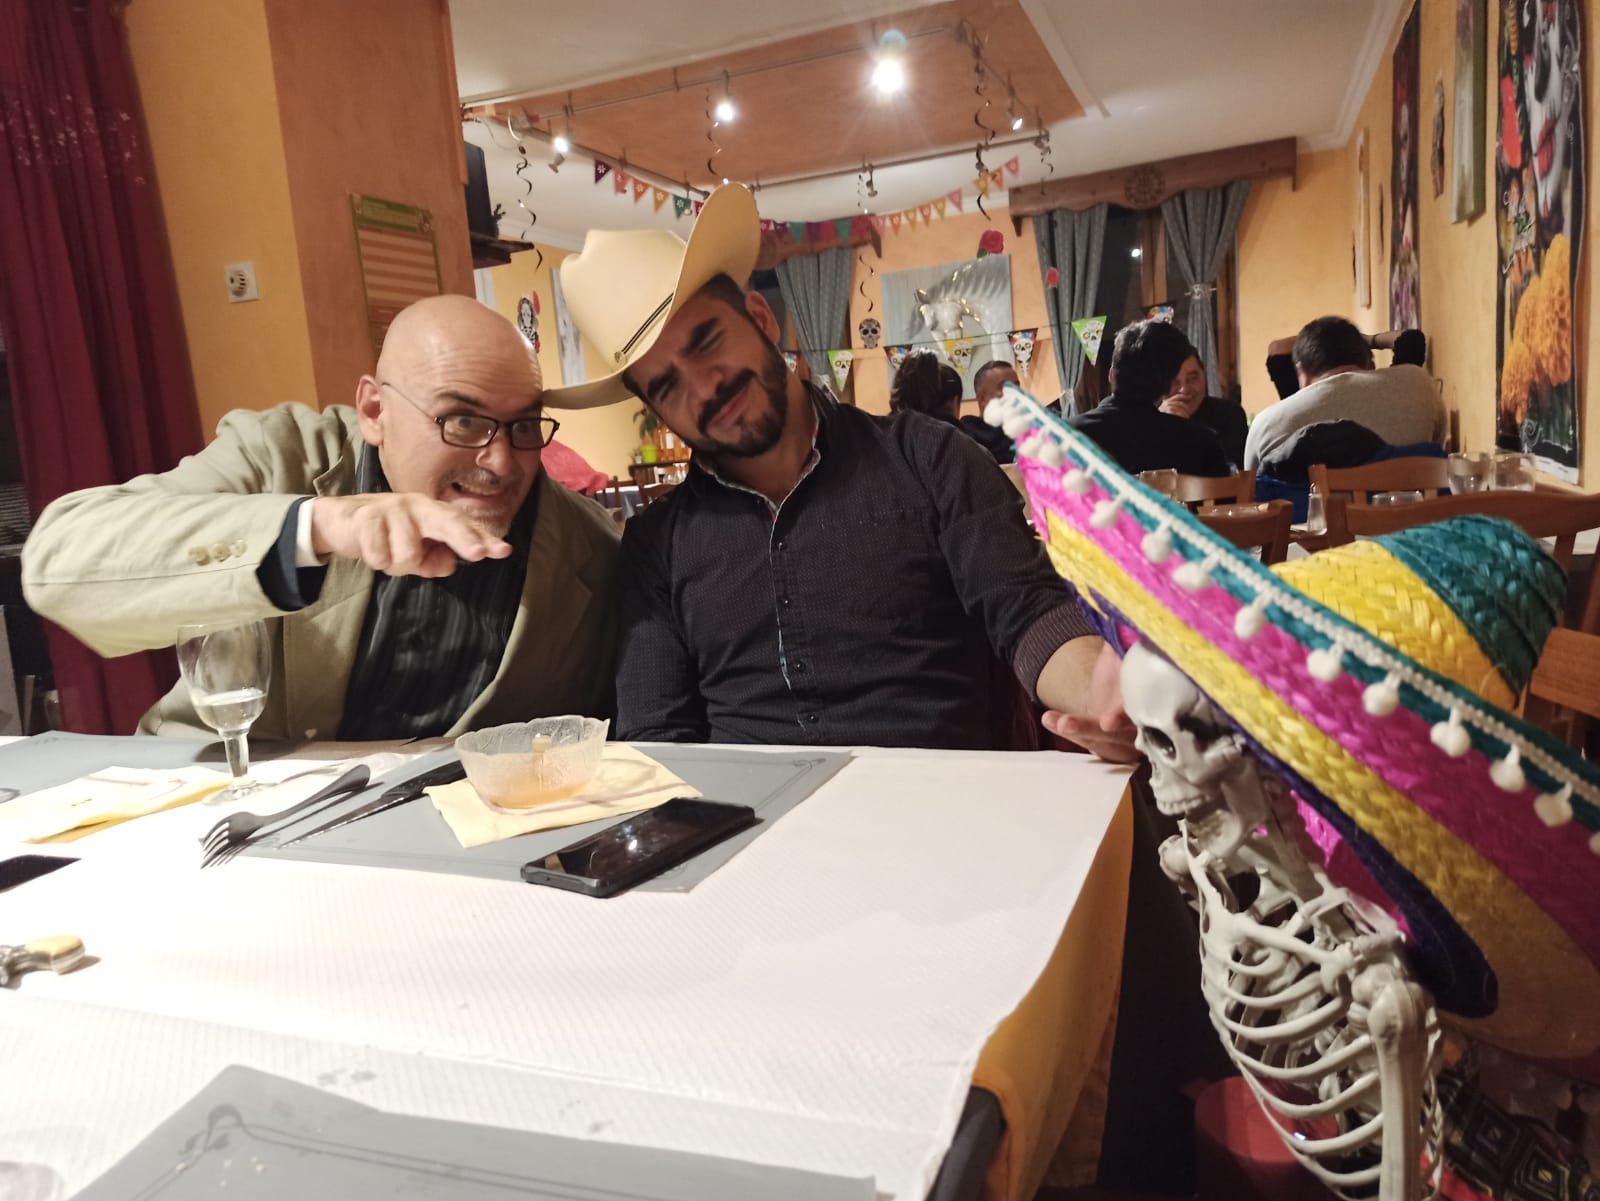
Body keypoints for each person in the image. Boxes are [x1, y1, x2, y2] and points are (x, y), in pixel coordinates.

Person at [545, 185, 1131, 758]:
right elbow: (657, 739)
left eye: (706, 342)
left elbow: (1029, 612)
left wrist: (1102, 695)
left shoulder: (930, 459)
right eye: (667, 385)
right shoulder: (656, 546)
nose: (704, 387)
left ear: (760, 318)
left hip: (936, 800)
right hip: (751, 815)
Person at [23, 295, 620, 741]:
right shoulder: (279, 455)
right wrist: (317, 528)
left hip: (439, 841)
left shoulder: (588, 547)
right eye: (462, 421)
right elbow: (60, 562)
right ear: (374, 410)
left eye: (523, 425)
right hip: (221, 808)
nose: (502, 461)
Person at [1244, 316, 1444, 470]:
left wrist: (1325, 341)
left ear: (1300, 372)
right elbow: (1411, 338)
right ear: (1370, 364)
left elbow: (1252, 490)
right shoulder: (1420, 385)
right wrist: (1367, 340)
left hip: (1310, 513)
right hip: (1408, 511)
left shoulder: (1266, 425)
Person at [1067, 320, 1230, 478]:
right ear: (1167, 385)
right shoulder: (1202, 443)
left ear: (1111, 375)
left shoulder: (1066, 436)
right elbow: (1224, 496)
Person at [1264, 326, 1427, 399]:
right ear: (1370, 368)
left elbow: (1278, 348)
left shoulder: (1293, 414)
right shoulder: (1395, 392)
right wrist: (1368, 340)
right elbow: (1412, 340)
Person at [1158, 353, 1248, 468]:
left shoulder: (1230, 414)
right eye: (1174, 381)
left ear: (1204, 376)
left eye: (1193, 378)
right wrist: (1161, 423)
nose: (1184, 389)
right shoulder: (1149, 419)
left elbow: (1232, 470)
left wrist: (1187, 431)